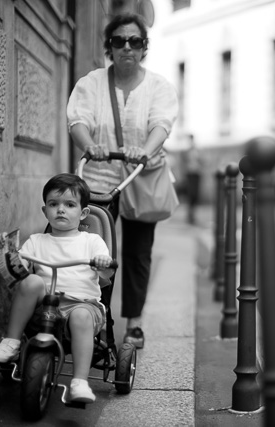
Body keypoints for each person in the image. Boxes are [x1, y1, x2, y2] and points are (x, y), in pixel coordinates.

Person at [66, 13, 178, 349]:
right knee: (97, 253)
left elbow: (161, 124)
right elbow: (78, 122)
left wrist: (143, 150)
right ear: (109, 47)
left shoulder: (159, 86)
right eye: (118, 41)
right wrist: (91, 146)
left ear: (144, 47)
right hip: (99, 181)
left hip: (139, 179)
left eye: (134, 41)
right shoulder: (91, 83)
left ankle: (134, 324)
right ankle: (96, 322)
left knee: (137, 253)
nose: (126, 47)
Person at [0, 174, 114, 404]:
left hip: (82, 305)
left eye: (70, 205)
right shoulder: (36, 241)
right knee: (32, 281)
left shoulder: (92, 241)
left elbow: (106, 274)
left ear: (83, 214)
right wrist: (7, 252)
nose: (61, 210)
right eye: (54, 204)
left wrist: (102, 262)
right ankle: (11, 342)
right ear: (45, 211)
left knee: (82, 315)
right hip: (44, 306)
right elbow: (19, 271)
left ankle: (80, 381)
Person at [182, 133, 203, 225]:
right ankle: (190, 216)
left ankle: (192, 215)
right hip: (190, 174)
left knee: (195, 196)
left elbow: (201, 161)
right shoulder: (187, 151)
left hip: (196, 174)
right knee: (191, 195)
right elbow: (184, 163)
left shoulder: (196, 150)